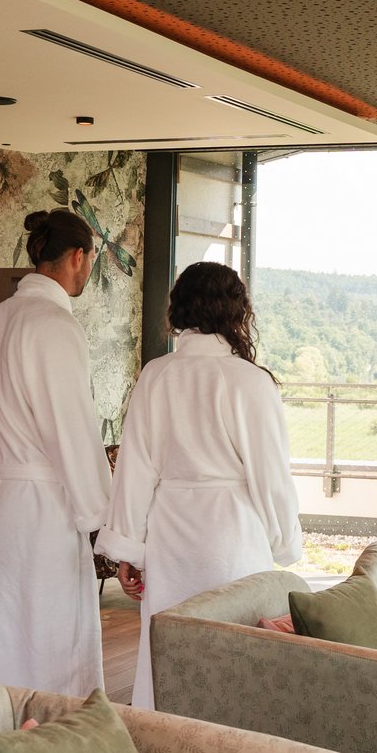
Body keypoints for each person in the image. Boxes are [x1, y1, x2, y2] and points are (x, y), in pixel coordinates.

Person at [105, 261, 302, 709]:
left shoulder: (156, 375)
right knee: (234, 655)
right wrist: (284, 543)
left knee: (167, 650)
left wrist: (130, 550)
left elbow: (135, 467)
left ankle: (160, 742)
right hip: (233, 534)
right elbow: (270, 475)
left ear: (180, 308)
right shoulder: (251, 381)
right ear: (237, 311)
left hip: (171, 535)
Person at [0, 209, 114, 697]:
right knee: (46, 637)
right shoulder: (55, 326)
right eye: (91, 260)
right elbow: (73, 432)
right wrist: (103, 522)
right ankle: (47, 743)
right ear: (78, 257)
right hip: (41, 511)